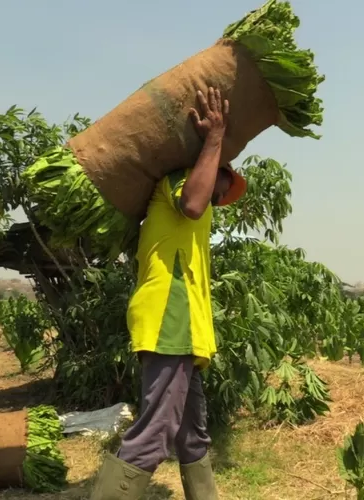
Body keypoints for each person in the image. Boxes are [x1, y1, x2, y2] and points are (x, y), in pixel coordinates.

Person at [90, 86, 247, 500]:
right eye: (220, 182)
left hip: (187, 328)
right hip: (168, 319)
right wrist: (214, 138)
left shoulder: (197, 209)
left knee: (192, 433)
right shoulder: (179, 185)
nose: (220, 194)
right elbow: (194, 203)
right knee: (156, 430)